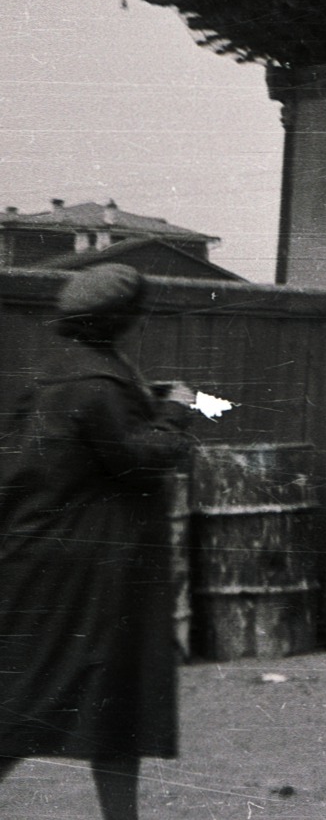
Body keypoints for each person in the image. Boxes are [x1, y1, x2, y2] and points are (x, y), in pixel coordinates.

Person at [0, 264, 197, 820]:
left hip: (40, 562)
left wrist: (151, 404)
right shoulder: (104, 385)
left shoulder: (51, 379)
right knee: (59, 698)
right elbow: (142, 460)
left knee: (76, 697)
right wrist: (178, 413)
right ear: (126, 322)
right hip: (95, 573)